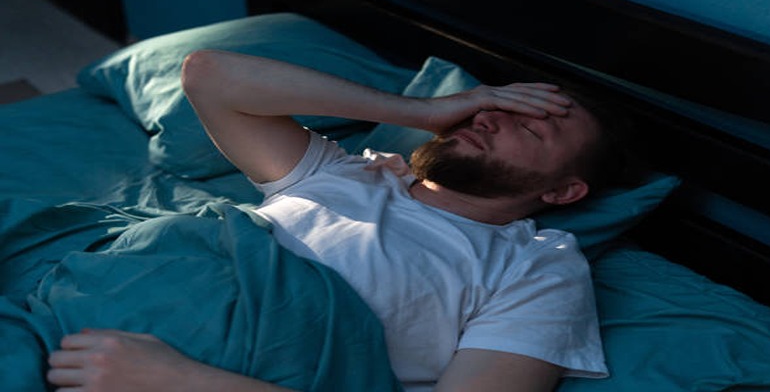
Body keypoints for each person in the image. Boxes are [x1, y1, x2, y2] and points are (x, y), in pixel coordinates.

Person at [46, 49, 624, 391]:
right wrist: (421, 110)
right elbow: (209, 74)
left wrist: (182, 381)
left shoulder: (537, 268)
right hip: (102, 304)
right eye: (493, 109)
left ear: (563, 191)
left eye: (530, 129)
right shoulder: (348, 172)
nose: (490, 120)